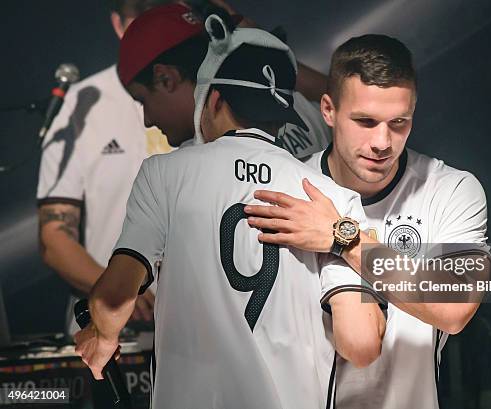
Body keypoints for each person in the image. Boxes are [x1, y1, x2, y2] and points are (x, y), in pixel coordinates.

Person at [75, 11, 386, 408]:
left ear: (215, 99)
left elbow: (114, 301)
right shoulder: (331, 200)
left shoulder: (164, 174)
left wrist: (100, 334)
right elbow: (361, 344)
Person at [244, 34, 490, 408]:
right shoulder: (284, 191)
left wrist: (345, 239)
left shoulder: (451, 190)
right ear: (328, 110)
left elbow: (455, 308)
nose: (382, 141)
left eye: (398, 122)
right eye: (365, 120)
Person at [36, 0, 182, 336]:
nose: (149, 24)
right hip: (109, 337)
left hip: (196, 335)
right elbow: (53, 236)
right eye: (137, 16)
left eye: (158, 11)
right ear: (117, 24)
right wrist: (115, 289)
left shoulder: (207, 93)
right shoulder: (82, 102)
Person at [117, 2, 332, 156]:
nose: (147, 120)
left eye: (142, 100)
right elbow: (338, 97)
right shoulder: (301, 107)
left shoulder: (185, 172)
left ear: (166, 78)